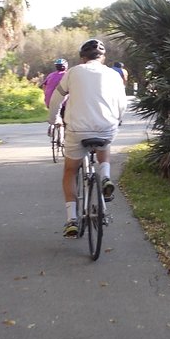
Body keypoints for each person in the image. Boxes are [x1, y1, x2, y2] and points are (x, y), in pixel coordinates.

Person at [48, 38, 126, 238]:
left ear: (82, 58)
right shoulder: (114, 74)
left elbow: (57, 97)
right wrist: (117, 120)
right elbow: (122, 103)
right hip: (106, 128)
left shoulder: (73, 72)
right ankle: (105, 177)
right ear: (103, 57)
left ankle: (72, 219)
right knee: (104, 145)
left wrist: (53, 119)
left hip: (77, 130)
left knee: (70, 170)